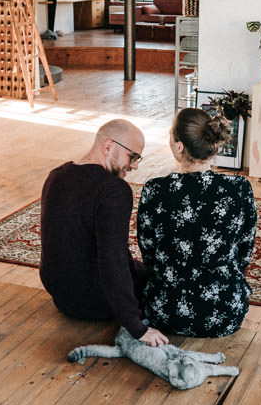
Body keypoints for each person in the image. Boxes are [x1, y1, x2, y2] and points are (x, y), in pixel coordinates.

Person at [39, 119, 169, 347]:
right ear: (108, 146)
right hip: (97, 301)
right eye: (133, 157)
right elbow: (113, 261)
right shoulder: (113, 191)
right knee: (161, 275)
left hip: (62, 295)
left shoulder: (56, 176)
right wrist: (137, 328)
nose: (135, 166)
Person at [136, 107, 258, 338]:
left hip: (166, 312)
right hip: (225, 311)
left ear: (179, 146)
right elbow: (245, 251)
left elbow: (148, 252)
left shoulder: (155, 190)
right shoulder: (240, 189)